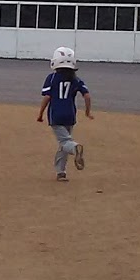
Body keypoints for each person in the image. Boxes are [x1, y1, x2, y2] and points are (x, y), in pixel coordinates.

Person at [37, 45, 93, 181]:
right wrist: (87, 112)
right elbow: (87, 96)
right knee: (64, 143)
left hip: (56, 115)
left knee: (65, 142)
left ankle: (75, 149)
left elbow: (47, 97)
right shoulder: (76, 79)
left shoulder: (52, 78)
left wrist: (40, 114)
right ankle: (61, 172)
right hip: (70, 115)